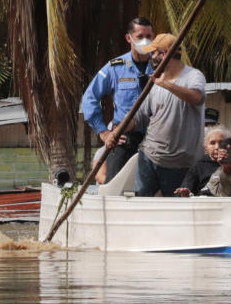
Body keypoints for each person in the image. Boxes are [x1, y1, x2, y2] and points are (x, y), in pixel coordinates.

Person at [121, 33, 206, 197]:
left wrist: (166, 84)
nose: (152, 57)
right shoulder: (155, 83)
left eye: (154, 53)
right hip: (149, 155)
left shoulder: (193, 76)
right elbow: (140, 118)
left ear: (165, 54)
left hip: (180, 163)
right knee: (142, 204)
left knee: (175, 211)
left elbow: (197, 97)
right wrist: (118, 129)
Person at [80, 17, 154, 182]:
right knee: (114, 186)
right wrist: (103, 132)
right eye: (140, 36)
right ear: (129, 38)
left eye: (149, 36)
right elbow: (90, 98)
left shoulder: (162, 66)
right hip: (125, 138)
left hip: (156, 139)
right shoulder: (115, 67)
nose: (145, 41)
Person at [174, 123, 230, 196]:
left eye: (221, 142)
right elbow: (186, 189)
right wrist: (186, 193)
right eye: (212, 143)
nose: (217, 147)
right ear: (206, 148)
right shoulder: (198, 167)